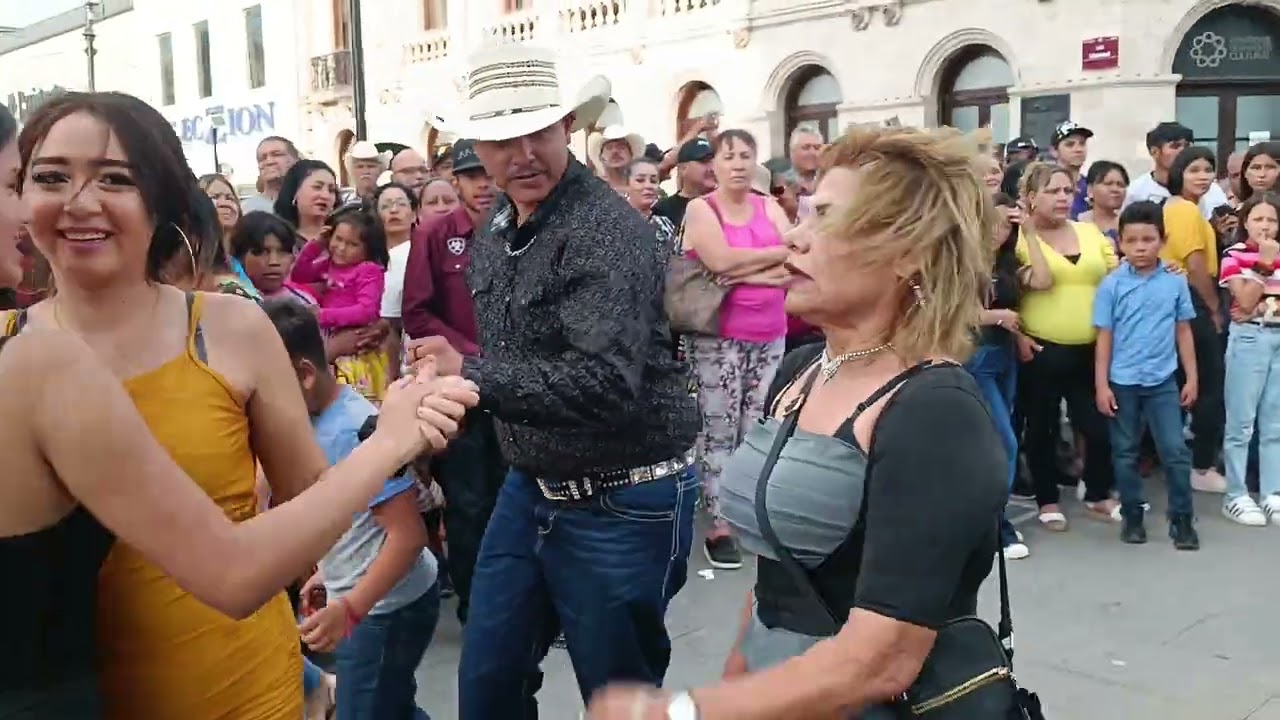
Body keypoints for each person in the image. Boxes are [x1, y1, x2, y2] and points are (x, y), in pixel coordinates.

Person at [0, 100, 477, 719]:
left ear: (162, 198)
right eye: (49, 176)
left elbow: (312, 510)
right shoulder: (16, 354)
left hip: (239, 690)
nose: (79, 202)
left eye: (115, 178)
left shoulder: (229, 327)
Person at [585, 126, 1008, 720]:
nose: (795, 237)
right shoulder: (803, 369)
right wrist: (735, 686)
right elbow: (776, 580)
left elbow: (883, 659)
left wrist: (682, 712)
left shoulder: (936, 412)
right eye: (803, 214)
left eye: (826, 217)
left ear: (908, 251)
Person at [410, 44, 700, 717]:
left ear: (568, 126)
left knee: (618, 702)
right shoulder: (500, 222)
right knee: (487, 685)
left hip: (624, 500)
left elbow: (603, 384)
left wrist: (471, 375)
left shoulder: (607, 230)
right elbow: (517, 355)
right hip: (531, 486)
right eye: (502, 139)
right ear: (475, 145)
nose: (523, 154)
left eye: (537, 131)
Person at [268, 301, 440, 720]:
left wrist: (349, 610)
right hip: (369, 599)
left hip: (386, 609)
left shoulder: (356, 430)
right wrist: (331, 571)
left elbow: (407, 536)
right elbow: (360, 519)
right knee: (392, 706)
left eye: (263, 386)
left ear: (304, 375)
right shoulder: (313, 422)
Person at [401, 137, 502, 626]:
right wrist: (470, 356)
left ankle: (525, 606)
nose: (484, 184)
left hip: (518, 390)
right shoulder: (436, 234)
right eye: (471, 175)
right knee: (468, 503)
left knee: (520, 499)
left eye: (488, 173)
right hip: (458, 394)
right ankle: (475, 606)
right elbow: (417, 314)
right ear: (456, 181)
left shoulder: (519, 226)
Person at [682, 129, 791, 569]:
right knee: (718, 431)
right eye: (730, 156)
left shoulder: (769, 207)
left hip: (770, 332)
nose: (739, 164)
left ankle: (748, 514)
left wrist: (745, 272)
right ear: (716, 165)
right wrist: (766, 261)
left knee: (756, 430)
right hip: (717, 336)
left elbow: (793, 259)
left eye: (747, 155)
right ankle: (720, 524)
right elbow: (718, 261)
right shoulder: (700, 208)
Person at [1093, 201, 1200, 549]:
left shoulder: (1174, 283)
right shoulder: (1111, 286)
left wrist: (1192, 377)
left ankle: (1182, 518)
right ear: (1120, 243)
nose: (1141, 247)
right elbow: (1104, 336)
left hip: (1162, 381)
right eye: (1132, 240)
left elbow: (1183, 331)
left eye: (1148, 239)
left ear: (1162, 240)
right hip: (1122, 382)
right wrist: (1102, 385)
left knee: (1174, 450)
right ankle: (1133, 516)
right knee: (1125, 451)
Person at [1160, 146, 1226, 492]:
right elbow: (1196, 265)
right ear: (1178, 174)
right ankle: (1201, 466)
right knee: (1209, 386)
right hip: (1194, 299)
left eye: (1208, 169)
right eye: (1194, 169)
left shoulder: (1189, 210)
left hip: (1179, 301)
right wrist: (1214, 308)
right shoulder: (1183, 210)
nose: (1203, 175)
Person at [1218, 192, 1280, 525]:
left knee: (1274, 422)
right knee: (1242, 423)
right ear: (1245, 223)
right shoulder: (1235, 255)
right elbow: (1244, 301)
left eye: (1272, 219)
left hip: (1278, 338)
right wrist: (1264, 264)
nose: (1265, 226)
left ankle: (1273, 492)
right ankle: (1236, 494)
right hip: (1250, 338)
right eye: (1258, 219)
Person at [292, 205, 392, 400]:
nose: (342, 248)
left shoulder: (368, 270)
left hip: (358, 352)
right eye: (338, 239)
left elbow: (366, 311)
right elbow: (299, 275)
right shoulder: (329, 263)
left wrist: (323, 316)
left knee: (358, 402)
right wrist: (317, 245)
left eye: (352, 244)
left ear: (368, 249)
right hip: (334, 346)